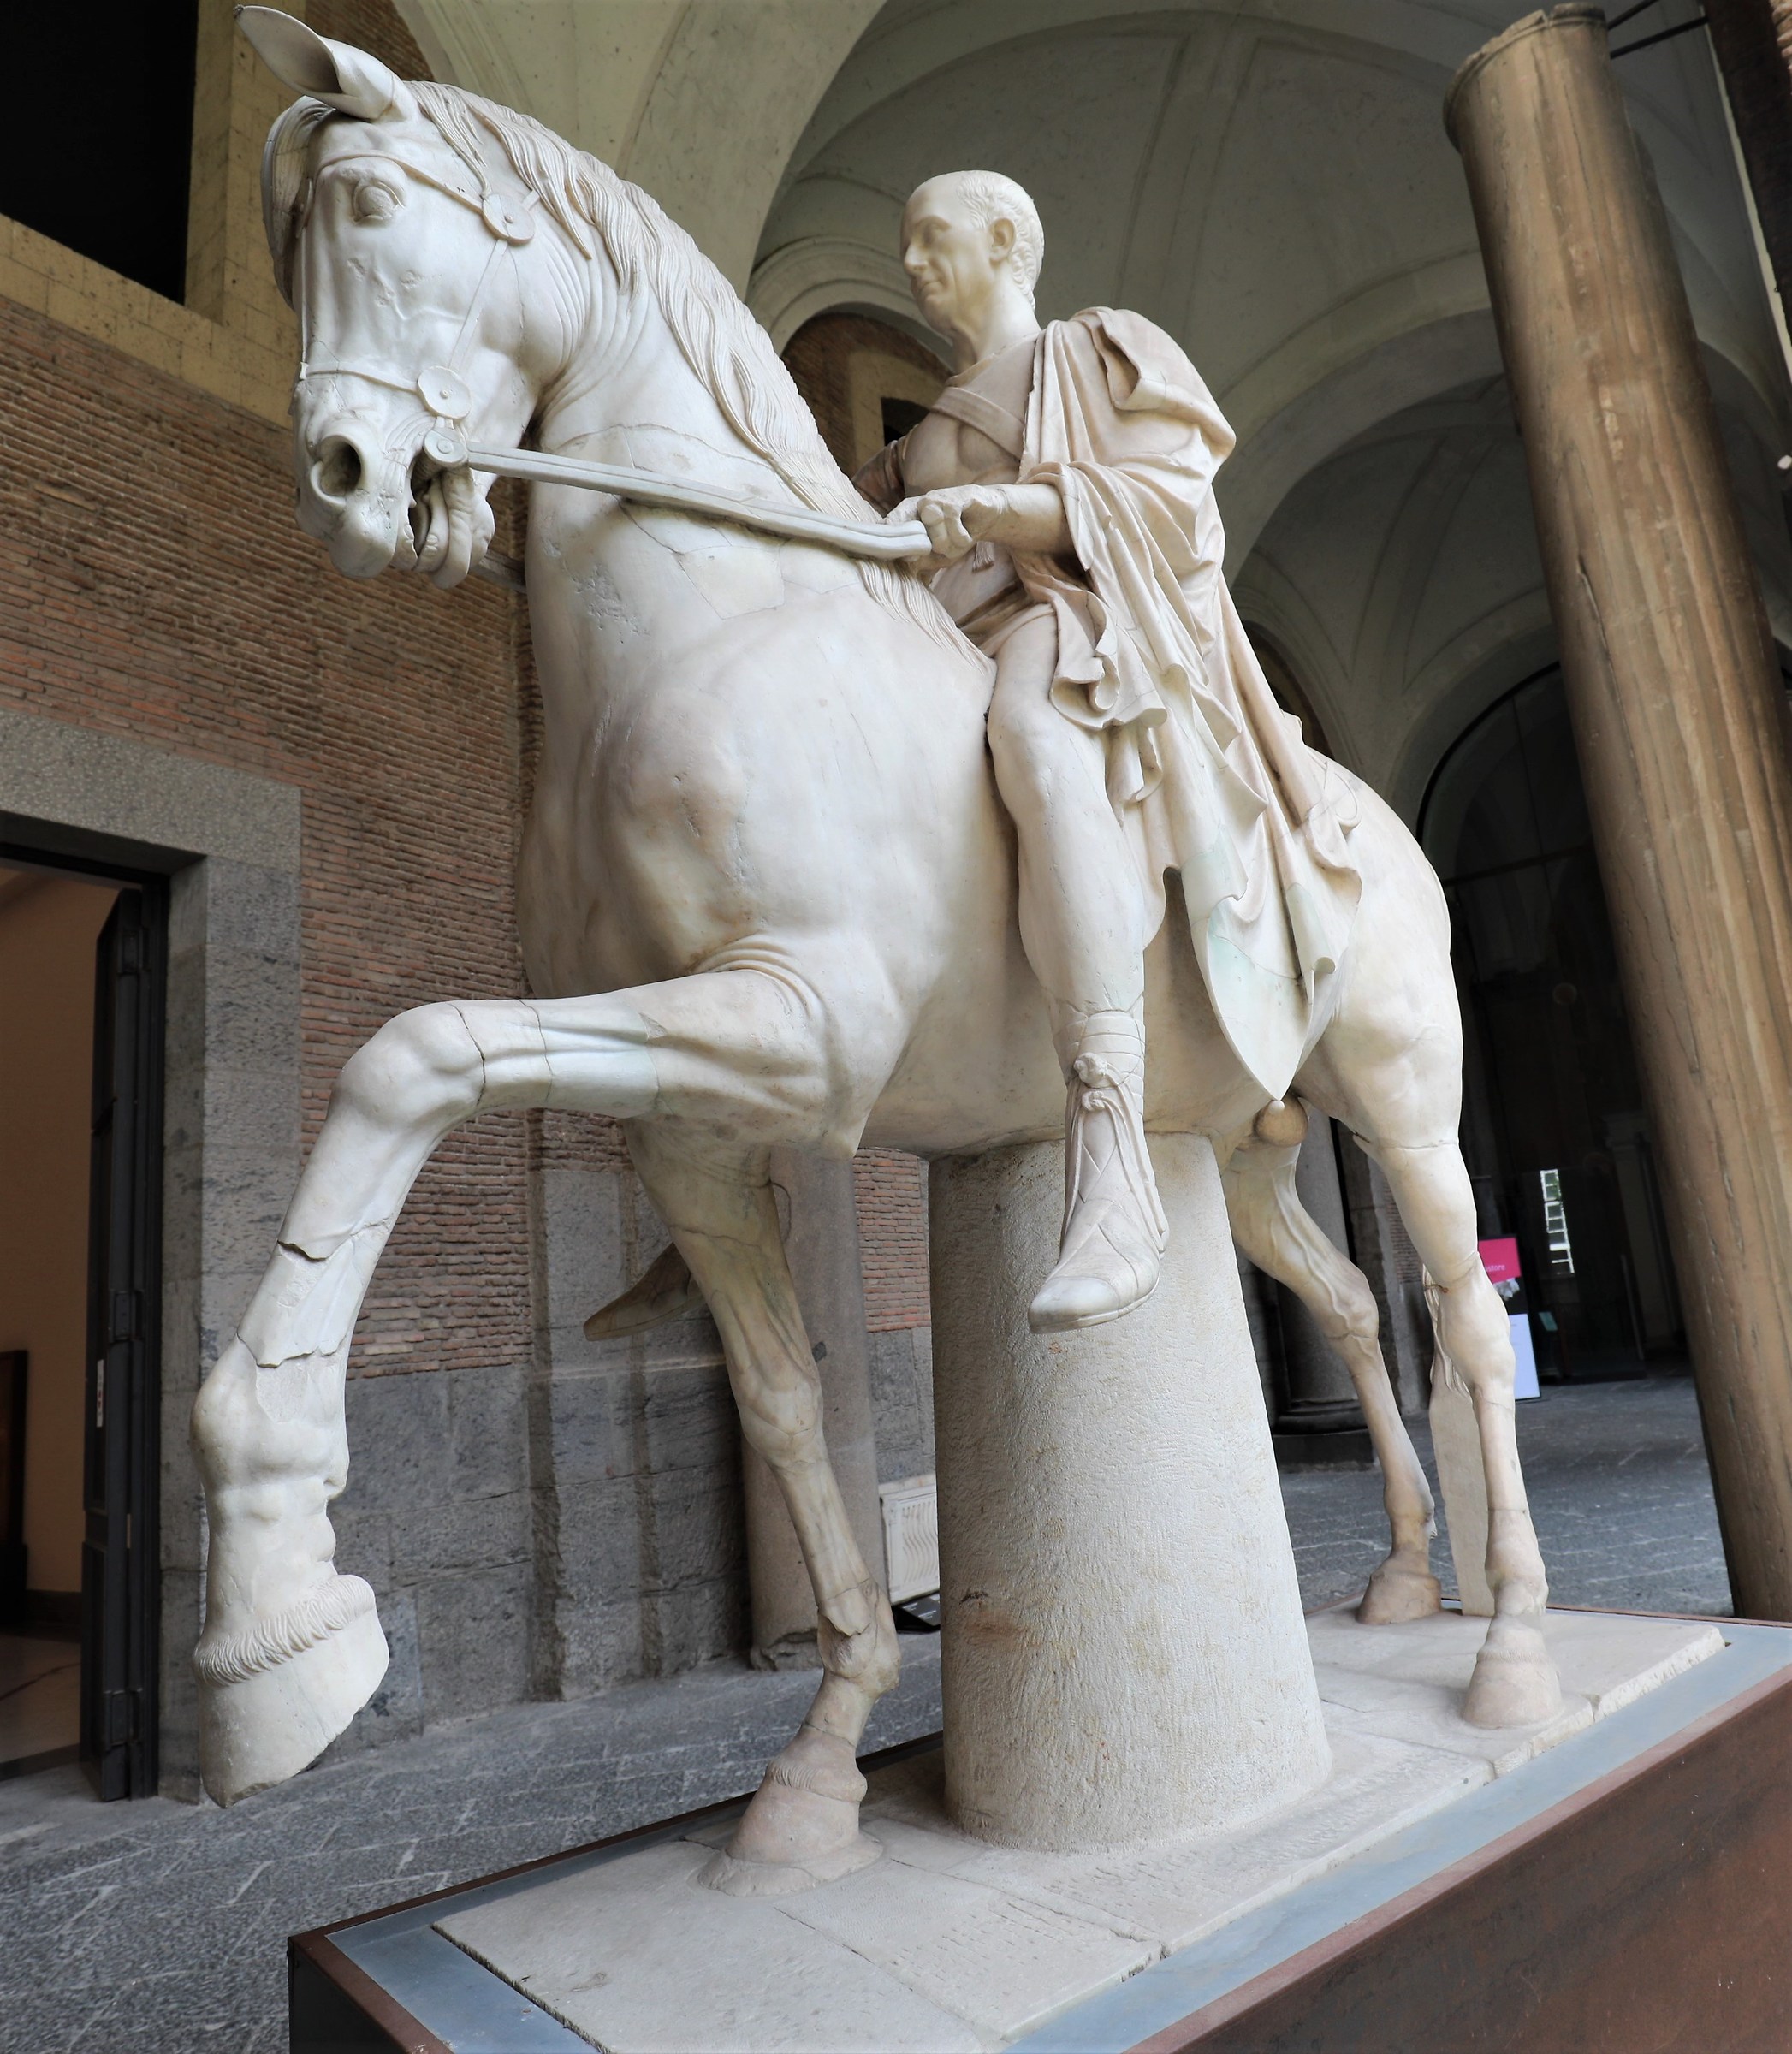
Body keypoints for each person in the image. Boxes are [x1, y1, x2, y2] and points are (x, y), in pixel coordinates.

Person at [857, 171, 1360, 1333]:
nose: (913, 265)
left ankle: (1108, 1129)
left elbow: (1171, 502)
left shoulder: (1097, 353)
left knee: (1029, 724)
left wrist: (986, 515)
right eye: (904, 246)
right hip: (933, 643)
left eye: (931, 240)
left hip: (1065, 625)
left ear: (1004, 241)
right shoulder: (923, 434)